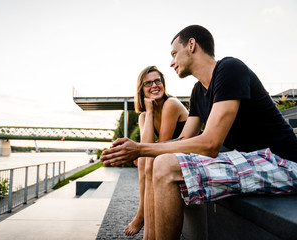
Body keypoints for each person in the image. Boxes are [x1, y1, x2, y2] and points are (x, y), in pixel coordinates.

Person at [100, 25, 297, 239]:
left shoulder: (230, 68)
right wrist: (141, 150)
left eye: (174, 53)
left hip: (280, 162)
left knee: (165, 165)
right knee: (160, 160)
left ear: (191, 45)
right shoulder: (197, 91)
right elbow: (185, 138)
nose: (172, 62)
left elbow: (210, 144)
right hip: (249, 159)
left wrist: (140, 149)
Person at [124, 66, 188, 237]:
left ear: (163, 84)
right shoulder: (144, 116)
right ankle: (146, 228)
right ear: (141, 89)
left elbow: (159, 147)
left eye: (158, 81)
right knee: (146, 159)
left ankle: (141, 215)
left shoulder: (171, 104)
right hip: (168, 156)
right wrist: (150, 111)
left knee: (149, 159)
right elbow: (146, 148)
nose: (154, 85)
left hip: (187, 153)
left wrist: (141, 152)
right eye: (148, 83)